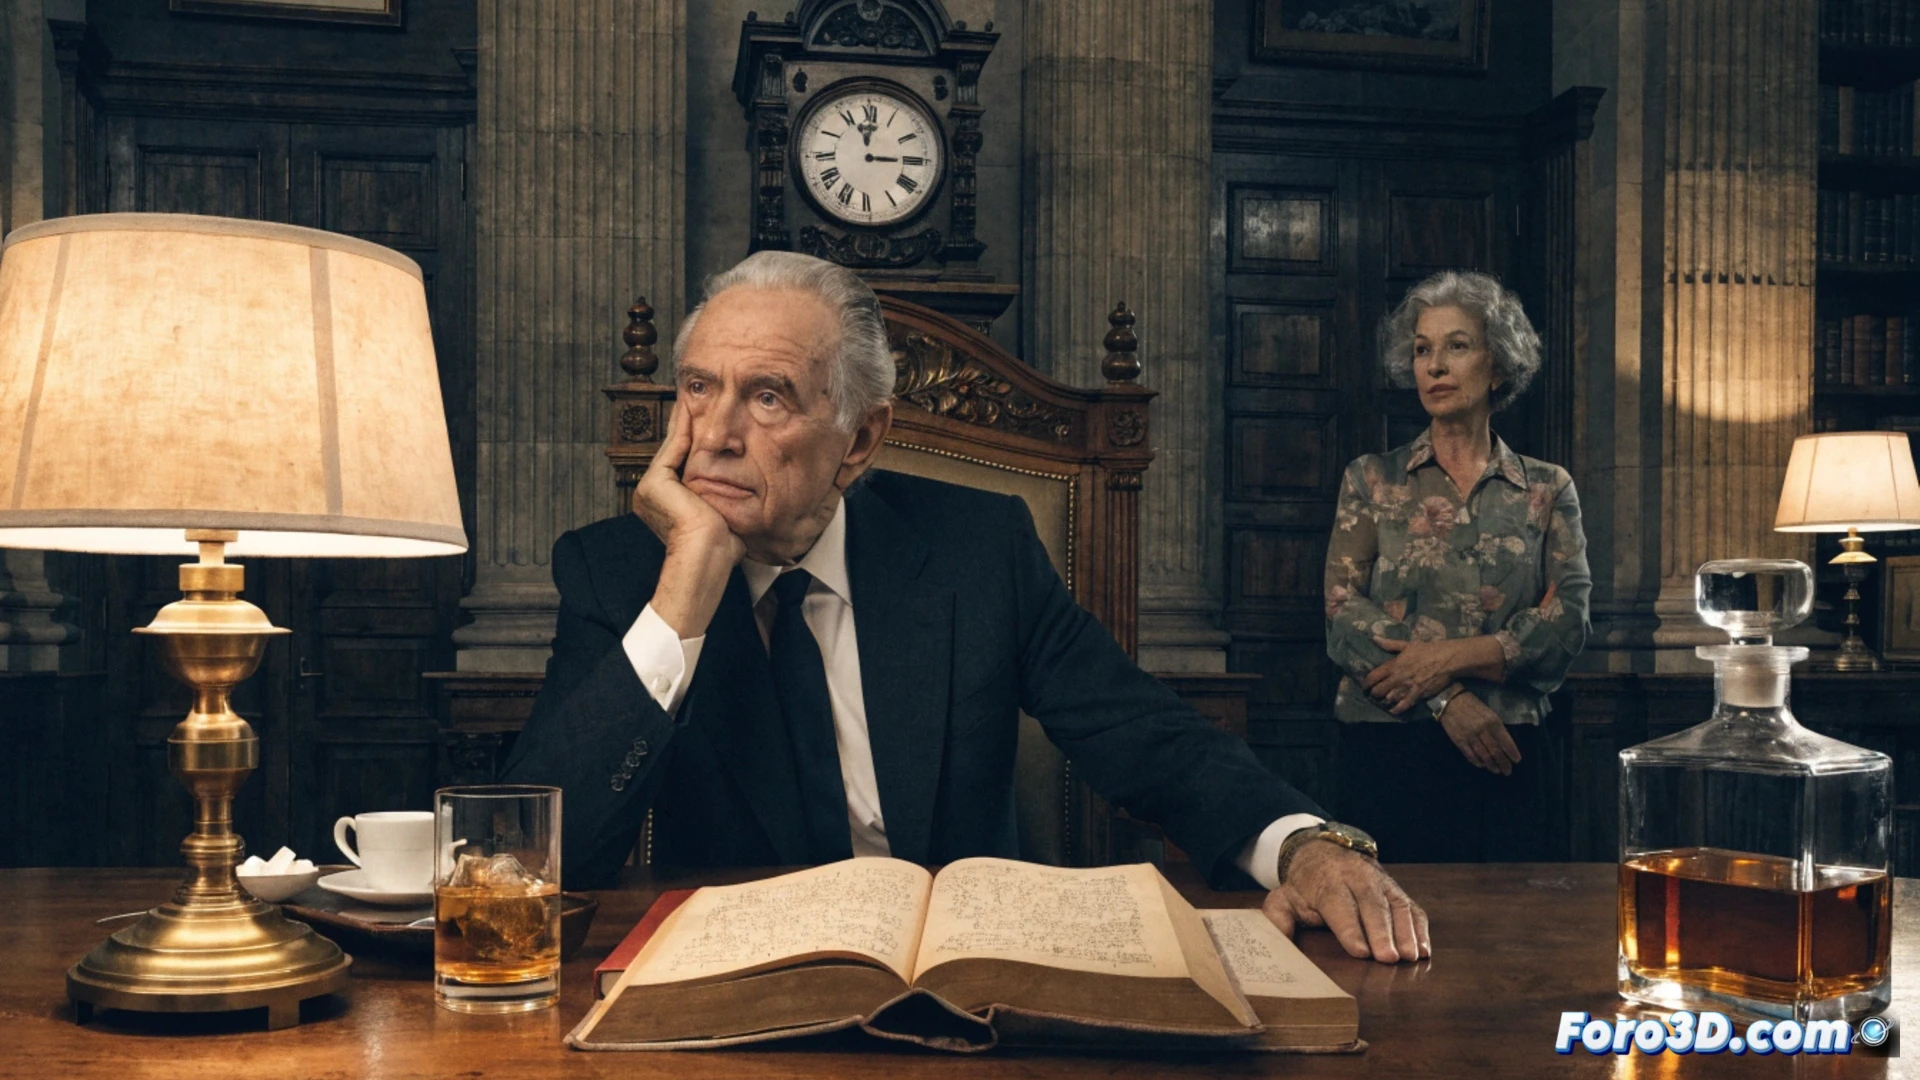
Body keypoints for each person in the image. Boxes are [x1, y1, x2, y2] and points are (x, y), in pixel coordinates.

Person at [503, 251, 1428, 963]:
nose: (716, 434)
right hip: (741, 996)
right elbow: (539, 866)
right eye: (700, 388)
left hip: (964, 988)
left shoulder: (977, 548)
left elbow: (1142, 731)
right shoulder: (618, 571)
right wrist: (682, 601)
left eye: (768, 397)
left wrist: (1302, 846)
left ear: (858, 440)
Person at [1324, 270, 1591, 861]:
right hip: (1387, 747)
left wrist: (1444, 658)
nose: (1435, 366)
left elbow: (1568, 621)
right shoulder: (1370, 478)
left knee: (1512, 917)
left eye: (1457, 346)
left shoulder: (1547, 488)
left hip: (1508, 749)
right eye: (1423, 350)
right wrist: (1448, 698)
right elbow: (1343, 617)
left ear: (1498, 366)